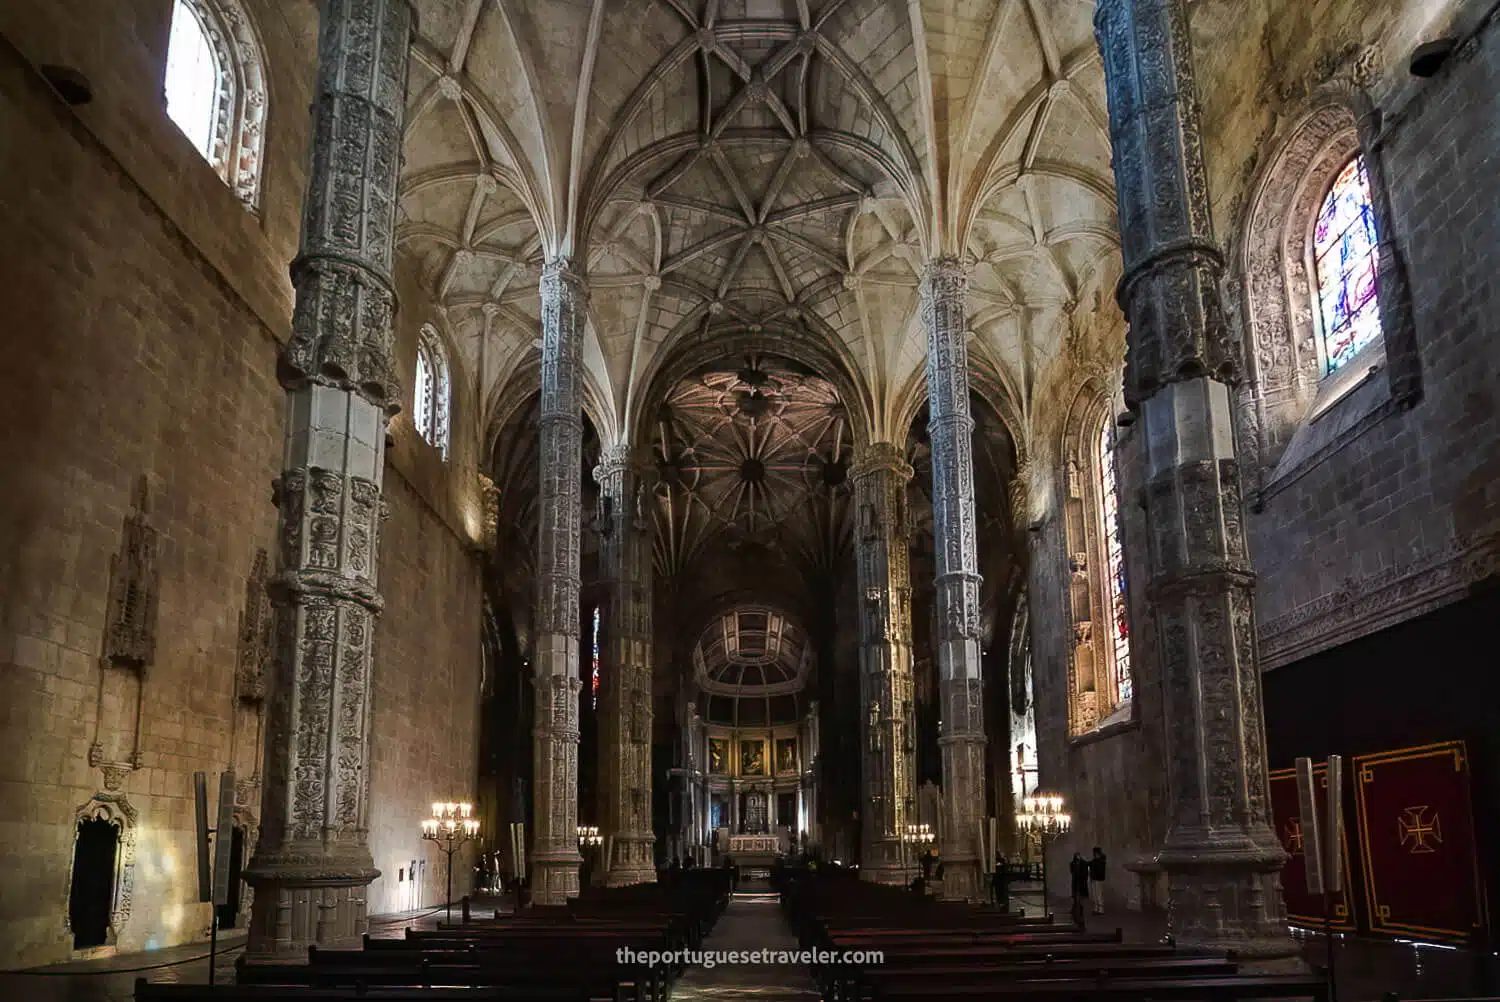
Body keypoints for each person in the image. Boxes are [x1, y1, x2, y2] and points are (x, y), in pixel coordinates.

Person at [1069, 851, 1089, 926]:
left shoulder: (1084, 863)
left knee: (1080, 901)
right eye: (1077, 855)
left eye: (1079, 855)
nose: (1078, 856)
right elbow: (1072, 872)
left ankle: (1080, 914)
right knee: (1076, 899)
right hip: (1076, 884)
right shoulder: (1072, 863)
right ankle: (1076, 912)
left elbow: (1085, 874)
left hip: (1081, 884)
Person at [1089, 846, 1107, 915]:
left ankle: (1101, 910)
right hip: (1094, 879)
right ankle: (1096, 908)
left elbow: (1099, 869)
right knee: (1095, 894)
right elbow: (1090, 864)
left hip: (1099, 879)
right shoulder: (1096, 860)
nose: (1094, 854)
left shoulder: (1101, 860)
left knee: (1099, 894)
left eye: (1094, 852)